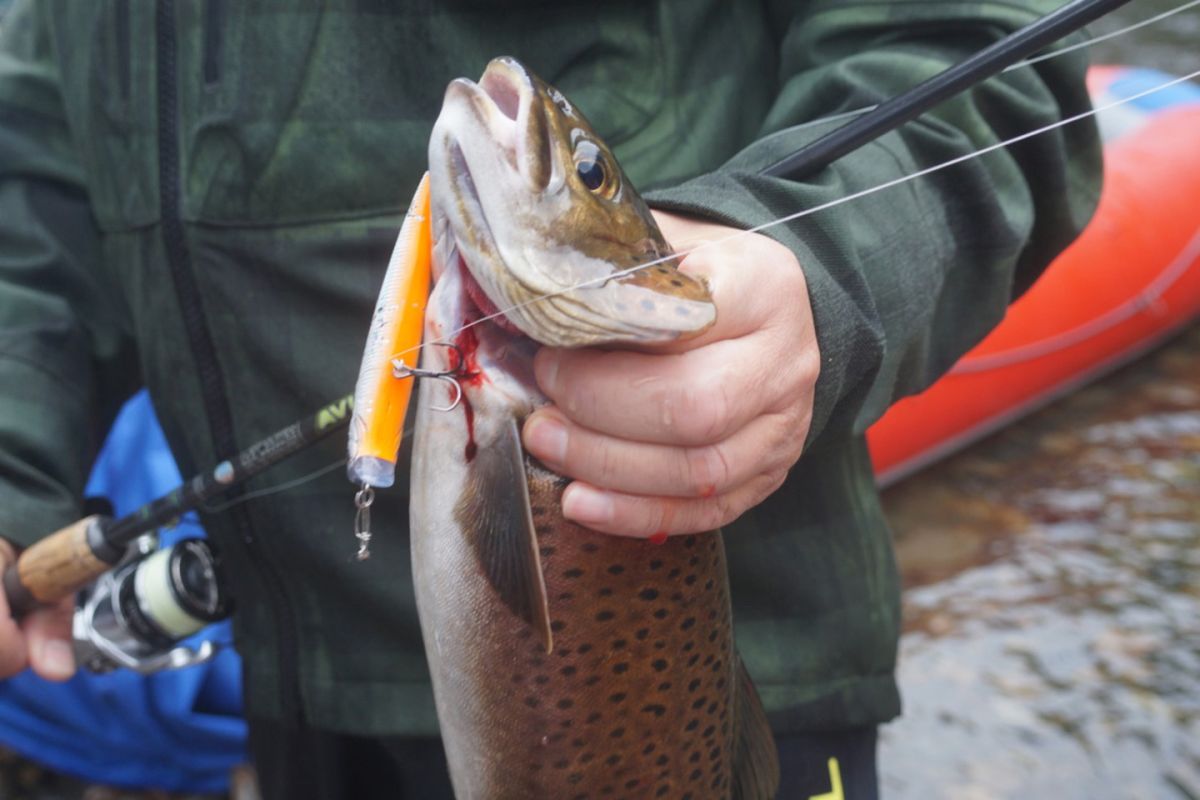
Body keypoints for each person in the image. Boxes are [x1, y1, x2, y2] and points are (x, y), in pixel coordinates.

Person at [0, 2, 1100, 798]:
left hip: (722, 686)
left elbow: (990, 51)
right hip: (303, 699)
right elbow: (30, 170)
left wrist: (826, 269)